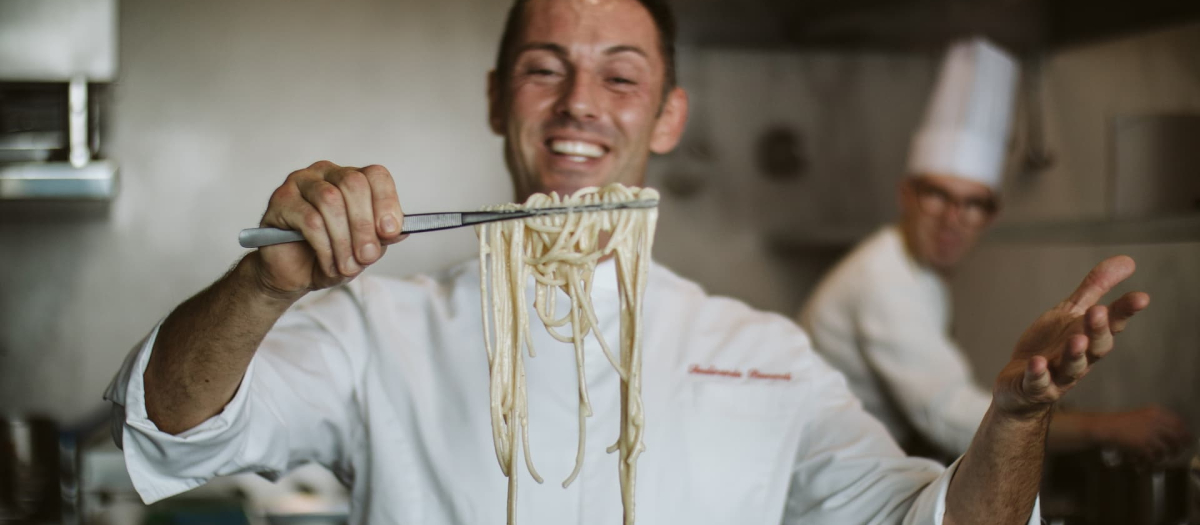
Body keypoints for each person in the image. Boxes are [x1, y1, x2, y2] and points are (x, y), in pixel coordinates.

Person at [105, 2, 1149, 523]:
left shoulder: (760, 352)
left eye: (620, 74)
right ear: (495, 100)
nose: (579, 108)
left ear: (667, 116)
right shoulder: (380, 326)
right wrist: (259, 285)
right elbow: (175, 429)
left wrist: (1014, 420)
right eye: (543, 70)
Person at [799, 38, 1192, 462]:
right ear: (906, 196)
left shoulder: (920, 272)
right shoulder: (880, 280)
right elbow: (950, 419)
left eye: (973, 203)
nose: (954, 218)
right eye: (937, 195)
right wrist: (1107, 428)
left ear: (991, 215)